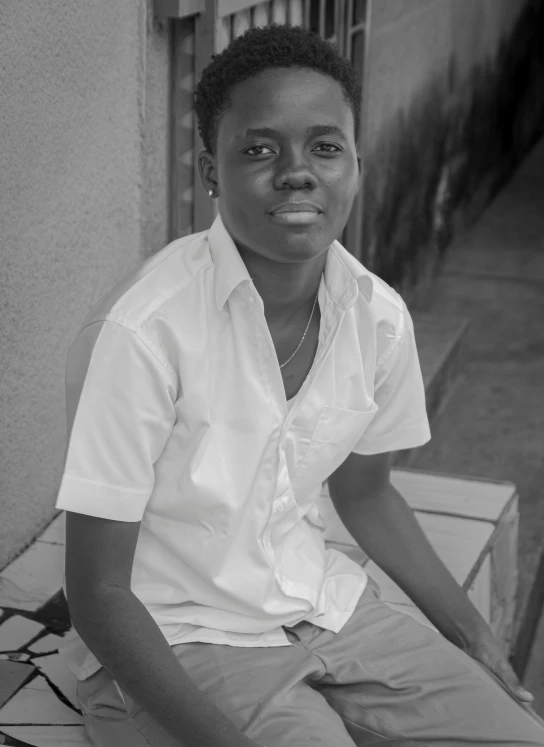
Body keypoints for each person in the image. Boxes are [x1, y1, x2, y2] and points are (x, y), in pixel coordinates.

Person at [55, 23, 544, 747]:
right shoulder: (142, 335)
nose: (296, 171)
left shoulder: (376, 318)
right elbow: (97, 592)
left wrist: (475, 639)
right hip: (180, 634)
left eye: (325, 146)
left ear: (355, 163)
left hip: (322, 604)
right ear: (208, 171)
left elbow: (366, 492)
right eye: (258, 149)